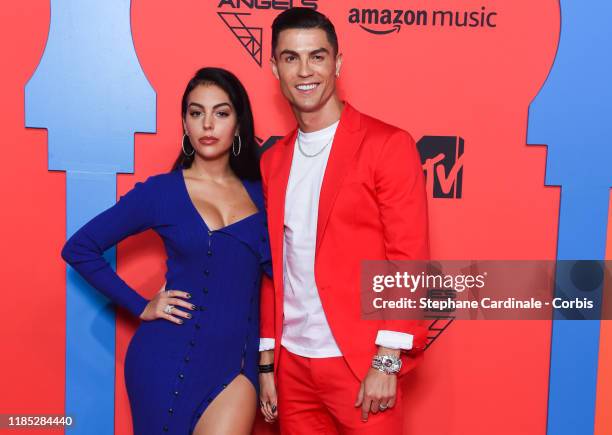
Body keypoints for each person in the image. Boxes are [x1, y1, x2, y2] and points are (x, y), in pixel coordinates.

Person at [62, 67, 272, 435]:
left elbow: (274, 290)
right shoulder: (161, 192)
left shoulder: (264, 193)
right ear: (185, 124)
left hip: (234, 369)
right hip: (163, 360)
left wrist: (263, 370)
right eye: (196, 112)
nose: (208, 124)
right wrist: (141, 305)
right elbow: (79, 248)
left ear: (238, 124)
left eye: (221, 113)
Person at [257, 8, 430, 434]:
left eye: (316, 56)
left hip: (359, 362)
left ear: (337, 62)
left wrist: (387, 359)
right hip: (292, 366)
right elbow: (272, 267)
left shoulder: (387, 144)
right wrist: (267, 362)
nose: (304, 71)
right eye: (290, 58)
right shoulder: (274, 159)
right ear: (275, 66)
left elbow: (408, 259)